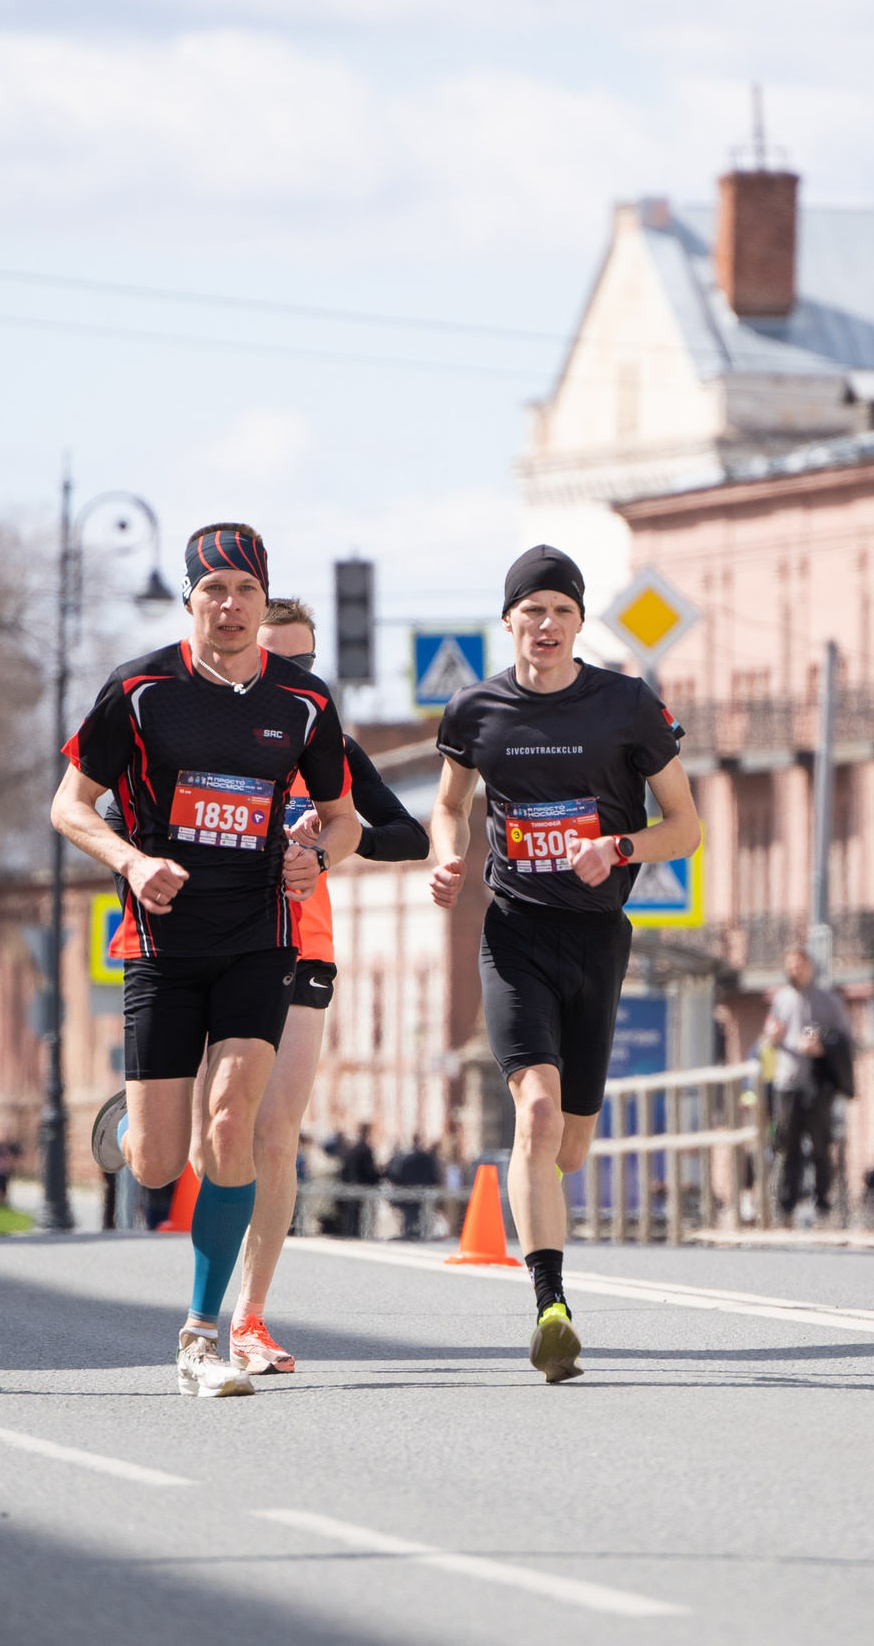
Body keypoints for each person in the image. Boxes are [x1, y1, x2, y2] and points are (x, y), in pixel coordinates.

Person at [54, 522, 359, 1398]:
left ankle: (201, 1331)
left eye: (245, 593)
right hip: (162, 942)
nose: (229, 607)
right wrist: (132, 860)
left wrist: (318, 856)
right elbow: (70, 805)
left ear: (265, 604)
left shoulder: (301, 700)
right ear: (190, 599)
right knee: (155, 1162)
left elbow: (342, 815)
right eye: (213, 591)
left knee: (233, 1127)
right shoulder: (142, 690)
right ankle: (148, 1110)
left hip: (260, 936)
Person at [430, 544, 702, 1382]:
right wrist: (446, 856)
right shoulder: (476, 710)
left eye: (561, 610)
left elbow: (686, 824)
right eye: (531, 610)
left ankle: (549, 1246)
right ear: (507, 619)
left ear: (580, 622)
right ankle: (551, 1306)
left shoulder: (625, 705)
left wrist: (620, 845)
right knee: (537, 1115)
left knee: (571, 1146)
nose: (545, 625)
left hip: (597, 939)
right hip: (515, 934)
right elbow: (449, 804)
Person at [208, 595, 429, 1373]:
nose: (293, 676)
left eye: (307, 664)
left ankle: (248, 1317)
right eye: (280, 660)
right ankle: (148, 1106)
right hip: (212, 947)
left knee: (276, 1133)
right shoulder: (199, 731)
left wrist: (336, 836)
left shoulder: (326, 747)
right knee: (216, 1133)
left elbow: (412, 834)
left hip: (304, 948)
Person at [763, 946, 852, 1228]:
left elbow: (846, 1040)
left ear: (810, 967)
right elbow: (770, 1041)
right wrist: (772, 1038)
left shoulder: (828, 1001)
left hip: (817, 1084)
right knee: (787, 1146)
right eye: (790, 966)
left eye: (799, 965)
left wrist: (821, 1047)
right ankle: (786, 1205)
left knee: (820, 1145)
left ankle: (822, 1203)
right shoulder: (781, 999)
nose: (794, 971)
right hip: (786, 1082)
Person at [387, 1137, 443, 1239]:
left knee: (410, 1216)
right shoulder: (428, 1159)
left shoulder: (407, 1160)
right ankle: (423, 1234)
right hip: (424, 1193)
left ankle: (409, 1233)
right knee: (424, 1215)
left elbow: (400, 1177)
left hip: (409, 1193)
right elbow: (433, 1177)